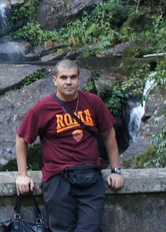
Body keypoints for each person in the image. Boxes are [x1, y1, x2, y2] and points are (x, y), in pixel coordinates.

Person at [15, 60, 124, 232]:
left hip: (90, 178)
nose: (68, 82)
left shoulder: (93, 102)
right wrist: (23, 175)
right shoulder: (43, 108)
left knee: (90, 228)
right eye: (64, 77)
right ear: (55, 80)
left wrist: (115, 170)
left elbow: (109, 134)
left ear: (79, 79)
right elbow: (22, 139)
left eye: (73, 77)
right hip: (58, 180)